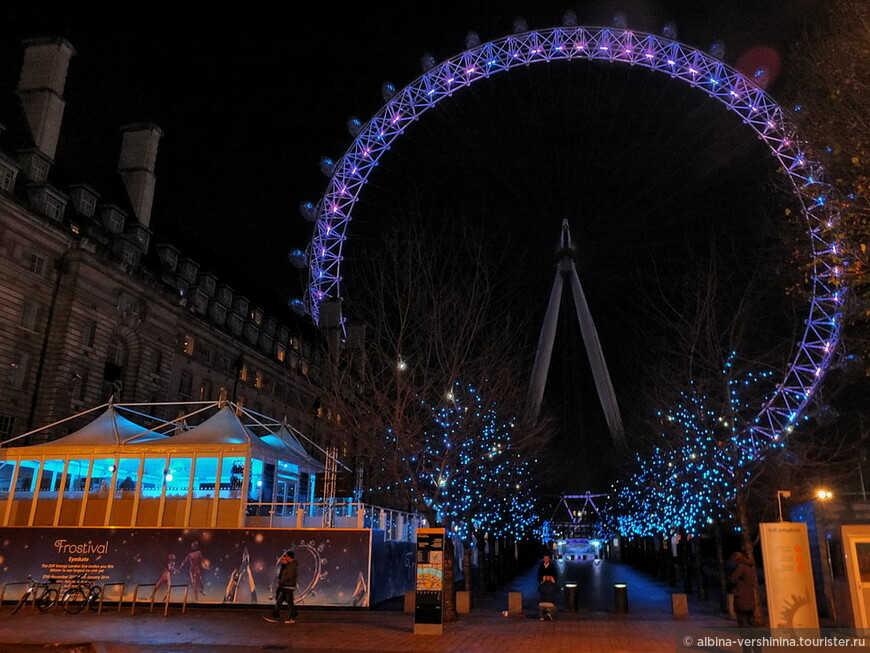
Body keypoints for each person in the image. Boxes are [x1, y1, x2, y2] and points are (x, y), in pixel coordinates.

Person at [728, 551, 762, 653]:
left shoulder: (741, 568)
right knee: (752, 629)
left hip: (742, 602)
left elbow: (732, 580)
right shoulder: (750, 568)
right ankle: (758, 650)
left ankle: (747, 651)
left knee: (744, 629)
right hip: (750, 602)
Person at [264, 550, 298, 624]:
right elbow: (281, 574)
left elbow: (288, 576)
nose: (284, 557)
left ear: (289, 557)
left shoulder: (292, 565)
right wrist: (283, 565)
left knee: (289, 602)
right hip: (284, 586)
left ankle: (292, 616)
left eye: (286, 556)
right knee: (279, 601)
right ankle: (275, 615)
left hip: (289, 586)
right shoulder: (287, 564)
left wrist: (281, 582)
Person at [537, 553, 558, 621]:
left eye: (547, 558)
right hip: (543, 584)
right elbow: (539, 575)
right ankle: (542, 614)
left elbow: (555, 574)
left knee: (549, 599)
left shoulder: (552, 566)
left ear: (549, 559)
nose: (546, 560)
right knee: (543, 599)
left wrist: (551, 578)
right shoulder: (541, 566)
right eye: (545, 558)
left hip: (550, 584)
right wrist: (542, 579)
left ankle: (549, 613)